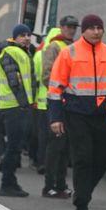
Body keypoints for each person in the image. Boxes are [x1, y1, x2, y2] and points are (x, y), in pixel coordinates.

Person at [48, 14, 106, 210]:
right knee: (83, 158)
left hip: (104, 115)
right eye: (92, 28)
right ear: (84, 30)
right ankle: (82, 206)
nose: (96, 31)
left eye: (100, 28)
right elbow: (55, 88)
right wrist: (55, 117)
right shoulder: (68, 53)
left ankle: (83, 192)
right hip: (77, 113)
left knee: (103, 159)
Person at [37, 15, 79, 198]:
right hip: (58, 103)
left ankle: (61, 184)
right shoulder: (54, 47)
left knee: (64, 147)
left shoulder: (74, 48)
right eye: (68, 27)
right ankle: (49, 185)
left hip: (70, 104)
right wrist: (60, 94)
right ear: (61, 27)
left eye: (73, 27)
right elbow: (47, 75)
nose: (71, 30)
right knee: (55, 145)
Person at [0, 24, 37, 197]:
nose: (27, 38)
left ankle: (11, 182)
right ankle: (6, 184)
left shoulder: (23, 52)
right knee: (13, 147)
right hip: (14, 107)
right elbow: (15, 81)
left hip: (19, 106)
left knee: (16, 146)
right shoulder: (10, 53)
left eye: (28, 34)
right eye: (22, 35)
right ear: (14, 38)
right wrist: (24, 104)